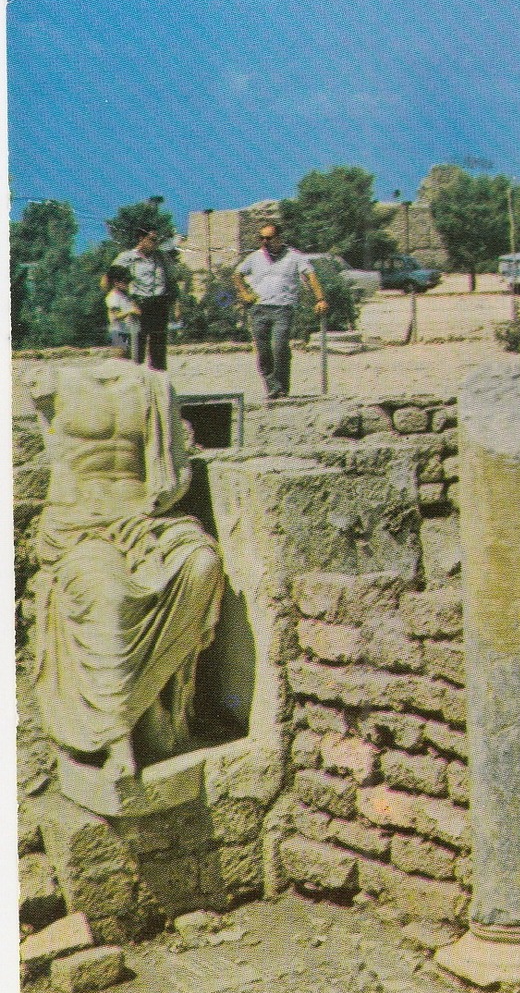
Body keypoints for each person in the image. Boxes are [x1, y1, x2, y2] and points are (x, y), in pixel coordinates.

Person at [28, 359, 225, 805]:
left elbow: (176, 473)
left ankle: (151, 701)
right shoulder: (49, 381)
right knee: (109, 596)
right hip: (81, 526)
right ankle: (119, 735)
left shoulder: (158, 387)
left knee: (202, 563)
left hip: (145, 519)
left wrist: (156, 501)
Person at [232, 222, 327, 400]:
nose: (264, 242)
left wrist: (320, 299)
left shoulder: (294, 257)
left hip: (283, 309)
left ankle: (282, 387)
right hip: (259, 310)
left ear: (279, 238)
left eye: (269, 238)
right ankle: (273, 388)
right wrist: (244, 293)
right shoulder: (254, 257)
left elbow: (310, 275)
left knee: (279, 347)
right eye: (261, 238)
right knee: (263, 351)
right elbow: (237, 274)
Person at [112, 226, 177, 370]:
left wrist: (176, 305)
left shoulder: (162, 257)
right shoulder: (127, 257)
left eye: (157, 240)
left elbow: (171, 281)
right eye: (152, 239)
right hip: (139, 304)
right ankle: (137, 383)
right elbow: (111, 278)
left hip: (159, 304)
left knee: (159, 347)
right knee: (137, 346)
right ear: (141, 239)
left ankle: (159, 383)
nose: (155, 243)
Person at [102, 265, 140, 359]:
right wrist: (130, 311)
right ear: (116, 282)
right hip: (118, 332)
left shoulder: (125, 296)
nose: (128, 284)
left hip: (127, 331)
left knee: (128, 359)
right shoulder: (114, 296)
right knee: (120, 359)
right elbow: (114, 317)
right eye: (126, 281)